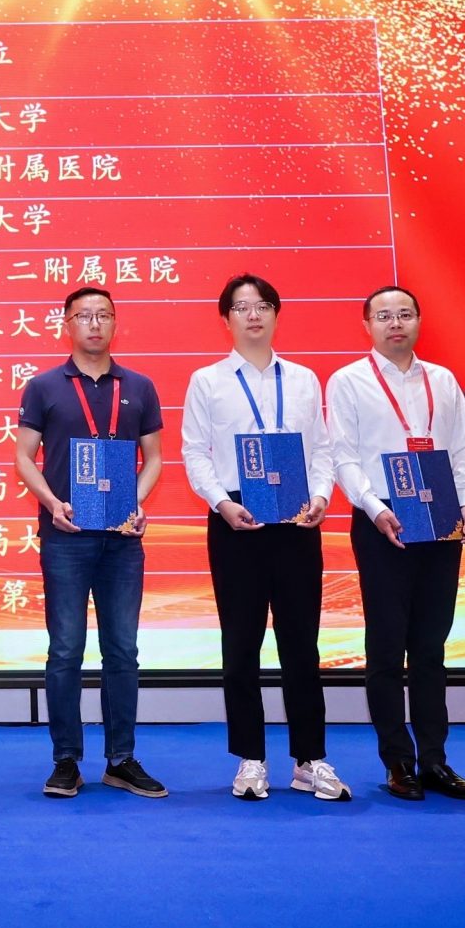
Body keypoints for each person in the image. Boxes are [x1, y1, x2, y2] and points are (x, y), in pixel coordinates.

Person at [180, 272, 347, 802]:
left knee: (302, 645)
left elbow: (322, 448)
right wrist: (222, 504)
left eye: (263, 306)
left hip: (297, 520)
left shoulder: (302, 379)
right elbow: (194, 452)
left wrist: (320, 496)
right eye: (241, 307)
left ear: (276, 314)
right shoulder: (207, 380)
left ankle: (310, 759)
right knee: (240, 646)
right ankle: (250, 758)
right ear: (226, 319)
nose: (253, 314)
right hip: (237, 520)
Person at [325, 285, 465, 802]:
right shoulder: (349, 381)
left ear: (418, 321)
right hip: (384, 520)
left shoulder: (443, 380)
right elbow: (343, 456)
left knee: (432, 648)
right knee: (388, 648)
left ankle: (435, 760)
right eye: (384, 316)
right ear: (367, 325)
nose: (396, 323)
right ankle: (398, 761)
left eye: (405, 314)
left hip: (440, 516)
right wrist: (376, 508)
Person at [12, 285, 168, 799]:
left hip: (122, 540)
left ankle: (121, 759)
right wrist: (52, 503)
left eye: (104, 315)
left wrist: (136, 503)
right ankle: (66, 760)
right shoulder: (44, 386)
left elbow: (154, 458)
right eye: (84, 315)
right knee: (65, 650)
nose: (95, 324)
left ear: (116, 323)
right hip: (67, 536)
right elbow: (24, 456)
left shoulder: (139, 386)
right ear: (67, 324)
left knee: (122, 650)